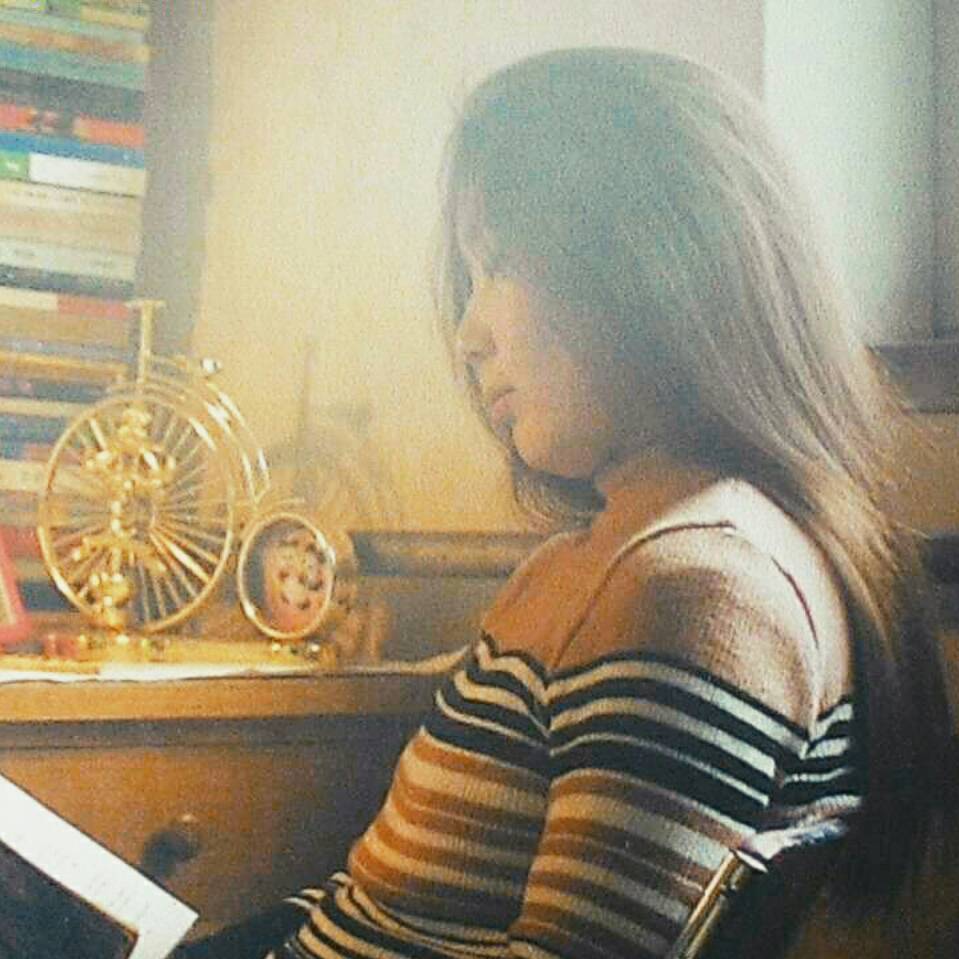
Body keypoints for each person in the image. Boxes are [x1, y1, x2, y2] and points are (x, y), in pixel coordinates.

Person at [182, 47, 958, 959]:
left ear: (653, 263)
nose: (468, 335)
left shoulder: (696, 587)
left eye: (500, 266)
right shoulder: (619, 558)